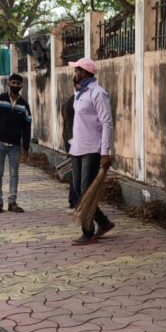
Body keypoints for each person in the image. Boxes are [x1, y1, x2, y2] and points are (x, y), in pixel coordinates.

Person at [67, 57, 116, 245]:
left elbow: (107, 123)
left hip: (92, 148)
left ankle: (88, 232)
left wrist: (105, 152)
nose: (74, 74)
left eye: (77, 71)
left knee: (85, 190)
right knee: (78, 190)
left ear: (84, 73)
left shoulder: (98, 93)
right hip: (78, 148)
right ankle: (103, 222)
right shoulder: (80, 93)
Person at [0, 74, 31, 214]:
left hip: (15, 146)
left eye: (18, 83)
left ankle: (12, 202)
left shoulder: (24, 105)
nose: (16, 85)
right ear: (9, 84)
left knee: (14, 174)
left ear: (21, 86)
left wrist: (26, 147)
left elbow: (27, 127)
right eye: (13, 83)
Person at [61, 80, 80, 212]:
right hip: (72, 142)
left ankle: (76, 200)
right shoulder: (70, 103)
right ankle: (74, 201)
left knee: (78, 173)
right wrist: (72, 144)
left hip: (80, 142)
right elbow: (68, 126)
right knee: (75, 172)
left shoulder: (82, 100)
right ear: (75, 86)